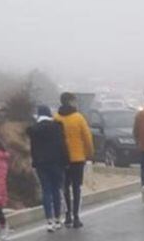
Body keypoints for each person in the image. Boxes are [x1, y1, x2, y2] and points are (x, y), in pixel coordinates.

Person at [55, 92, 94, 228]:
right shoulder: (78, 118)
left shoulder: (56, 117)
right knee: (76, 188)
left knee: (65, 187)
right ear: (71, 101)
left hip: (61, 159)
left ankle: (67, 215)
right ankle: (76, 216)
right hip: (77, 158)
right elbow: (87, 138)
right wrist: (89, 153)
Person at [28, 104, 67, 231]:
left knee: (46, 191)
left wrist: (34, 162)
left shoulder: (34, 129)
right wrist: (65, 161)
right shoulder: (57, 127)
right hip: (56, 163)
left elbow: (33, 148)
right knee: (56, 190)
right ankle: (57, 219)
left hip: (41, 164)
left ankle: (48, 221)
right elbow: (62, 146)